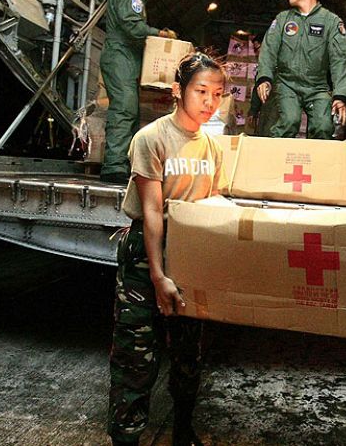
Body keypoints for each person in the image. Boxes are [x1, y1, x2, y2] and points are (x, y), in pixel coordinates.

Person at [108, 52, 228, 446]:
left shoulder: (211, 147)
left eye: (218, 93)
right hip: (147, 256)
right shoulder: (151, 138)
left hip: (190, 256)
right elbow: (153, 212)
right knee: (136, 356)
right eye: (201, 91)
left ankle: (183, 430)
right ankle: (126, 437)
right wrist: (159, 276)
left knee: (188, 355)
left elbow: (212, 207)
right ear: (178, 91)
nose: (210, 102)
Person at [100, 0, 177, 183]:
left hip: (127, 58)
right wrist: (160, 35)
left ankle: (123, 162)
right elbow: (132, 26)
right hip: (121, 55)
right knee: (124, 107)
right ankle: (114, 166)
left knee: (130, 109)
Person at [255, 0, 346, 139]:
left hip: (317, 86)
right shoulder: (283, 19)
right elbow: (269, 49)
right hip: (287, 83)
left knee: (324, 126)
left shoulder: (331, 21)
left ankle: (316, 160)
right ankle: (277, 157)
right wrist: (264, 77)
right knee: (289, 121)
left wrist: (340, 96)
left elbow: (341, 60)